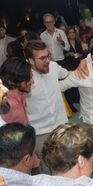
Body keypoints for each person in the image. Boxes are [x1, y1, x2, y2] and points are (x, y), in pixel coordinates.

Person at [24, 40, 70, 172]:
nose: (48, 60)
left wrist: (84, 63)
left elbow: (69, 75)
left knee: (67, 161)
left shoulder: (54, 67)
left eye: (48, 56)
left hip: (61, 126)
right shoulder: (23, 78)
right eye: (42, 58)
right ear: (31, 61)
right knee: (47, 167)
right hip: (39, 132)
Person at [0, 57, 34, 126]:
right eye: (28, 79)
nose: (32, 82)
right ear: (12, 81)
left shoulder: (21, 95)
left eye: (31, 77)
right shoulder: (7, 105)